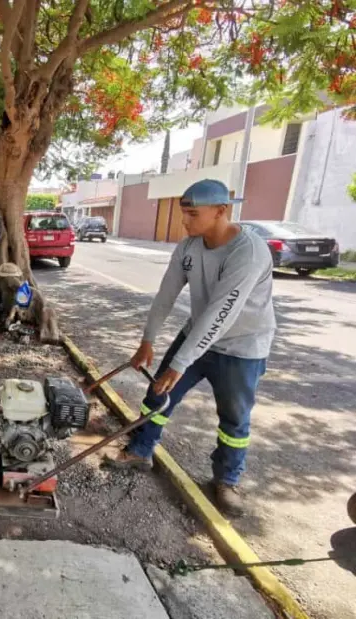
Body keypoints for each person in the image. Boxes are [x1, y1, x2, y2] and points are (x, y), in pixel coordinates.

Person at [104, 179, 276, 516]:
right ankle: (141, 450)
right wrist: (147, 341)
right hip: (197, 335)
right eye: (184, 213)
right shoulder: (188, 248)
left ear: (221, 211)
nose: (185, 221)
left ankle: (226, 481)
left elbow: (221, 312)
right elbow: (166, 294)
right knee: (158, 393)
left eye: (193, 214)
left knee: (234, 419)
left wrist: (181, 362)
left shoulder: (249, 251)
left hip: (242, 347)